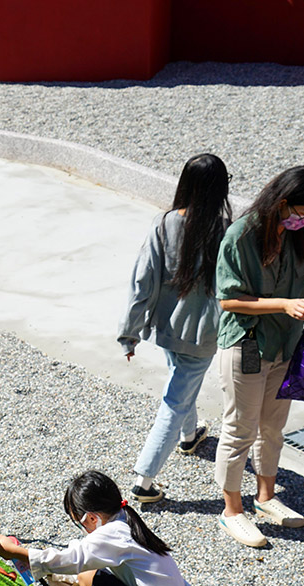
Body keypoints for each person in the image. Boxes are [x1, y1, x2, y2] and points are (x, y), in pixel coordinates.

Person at [214, 165, 304, 547]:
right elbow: (227, 299)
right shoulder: (240, 236)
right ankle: (231, 511)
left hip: (287, 345)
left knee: (272, 427)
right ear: (283, 203)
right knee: (240, 428)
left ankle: (266, 497)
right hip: (247, 344)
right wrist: (283, 304)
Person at [118, 154, 232, 503]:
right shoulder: (226, 229)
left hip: (167, 327)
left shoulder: (164, 222)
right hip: (204, 334)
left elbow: (143, 281)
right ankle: (144, 480)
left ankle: (189, 436)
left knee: (181, 383)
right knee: (174, 399)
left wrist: (130, 332)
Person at [0, 470, 201, 586]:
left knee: (89, 575)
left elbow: (74, 560)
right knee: (92, 572)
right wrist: (40, 567)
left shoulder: (114, 535)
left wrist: (18, 552)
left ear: (91, 518)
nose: (81, 528)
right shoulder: (124, 520)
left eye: (79, 522)